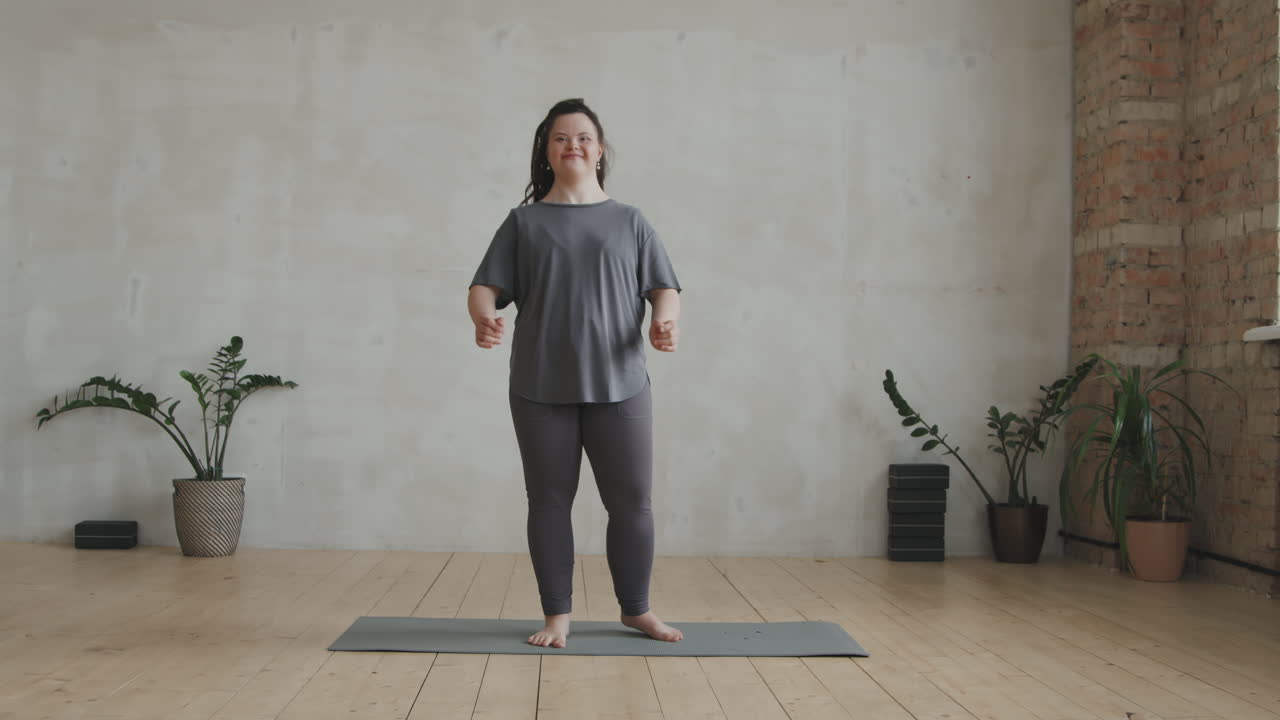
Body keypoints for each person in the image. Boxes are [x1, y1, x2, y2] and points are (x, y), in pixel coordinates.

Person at [467, 98, 683, 649]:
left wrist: (664, 323)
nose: (573, 146)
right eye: (561, 138)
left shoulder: (630, 221)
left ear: (600, 148)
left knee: (632, 504)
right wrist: (484, 316)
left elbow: (664, 288)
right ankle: (557, 617)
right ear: (547, 150)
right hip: (540, 386)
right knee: (548, 501)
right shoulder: (525, 221)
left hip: (621, 383)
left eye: (583, 137)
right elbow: (485, 286)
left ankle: (637, 611)